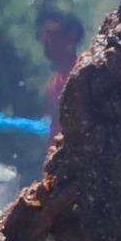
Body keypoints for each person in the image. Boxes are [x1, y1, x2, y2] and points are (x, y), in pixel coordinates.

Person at [40, 11, 84, 144]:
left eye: (50, 33)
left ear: (71, 35)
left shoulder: (83, 74)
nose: (43, 38)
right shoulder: (53, 83)